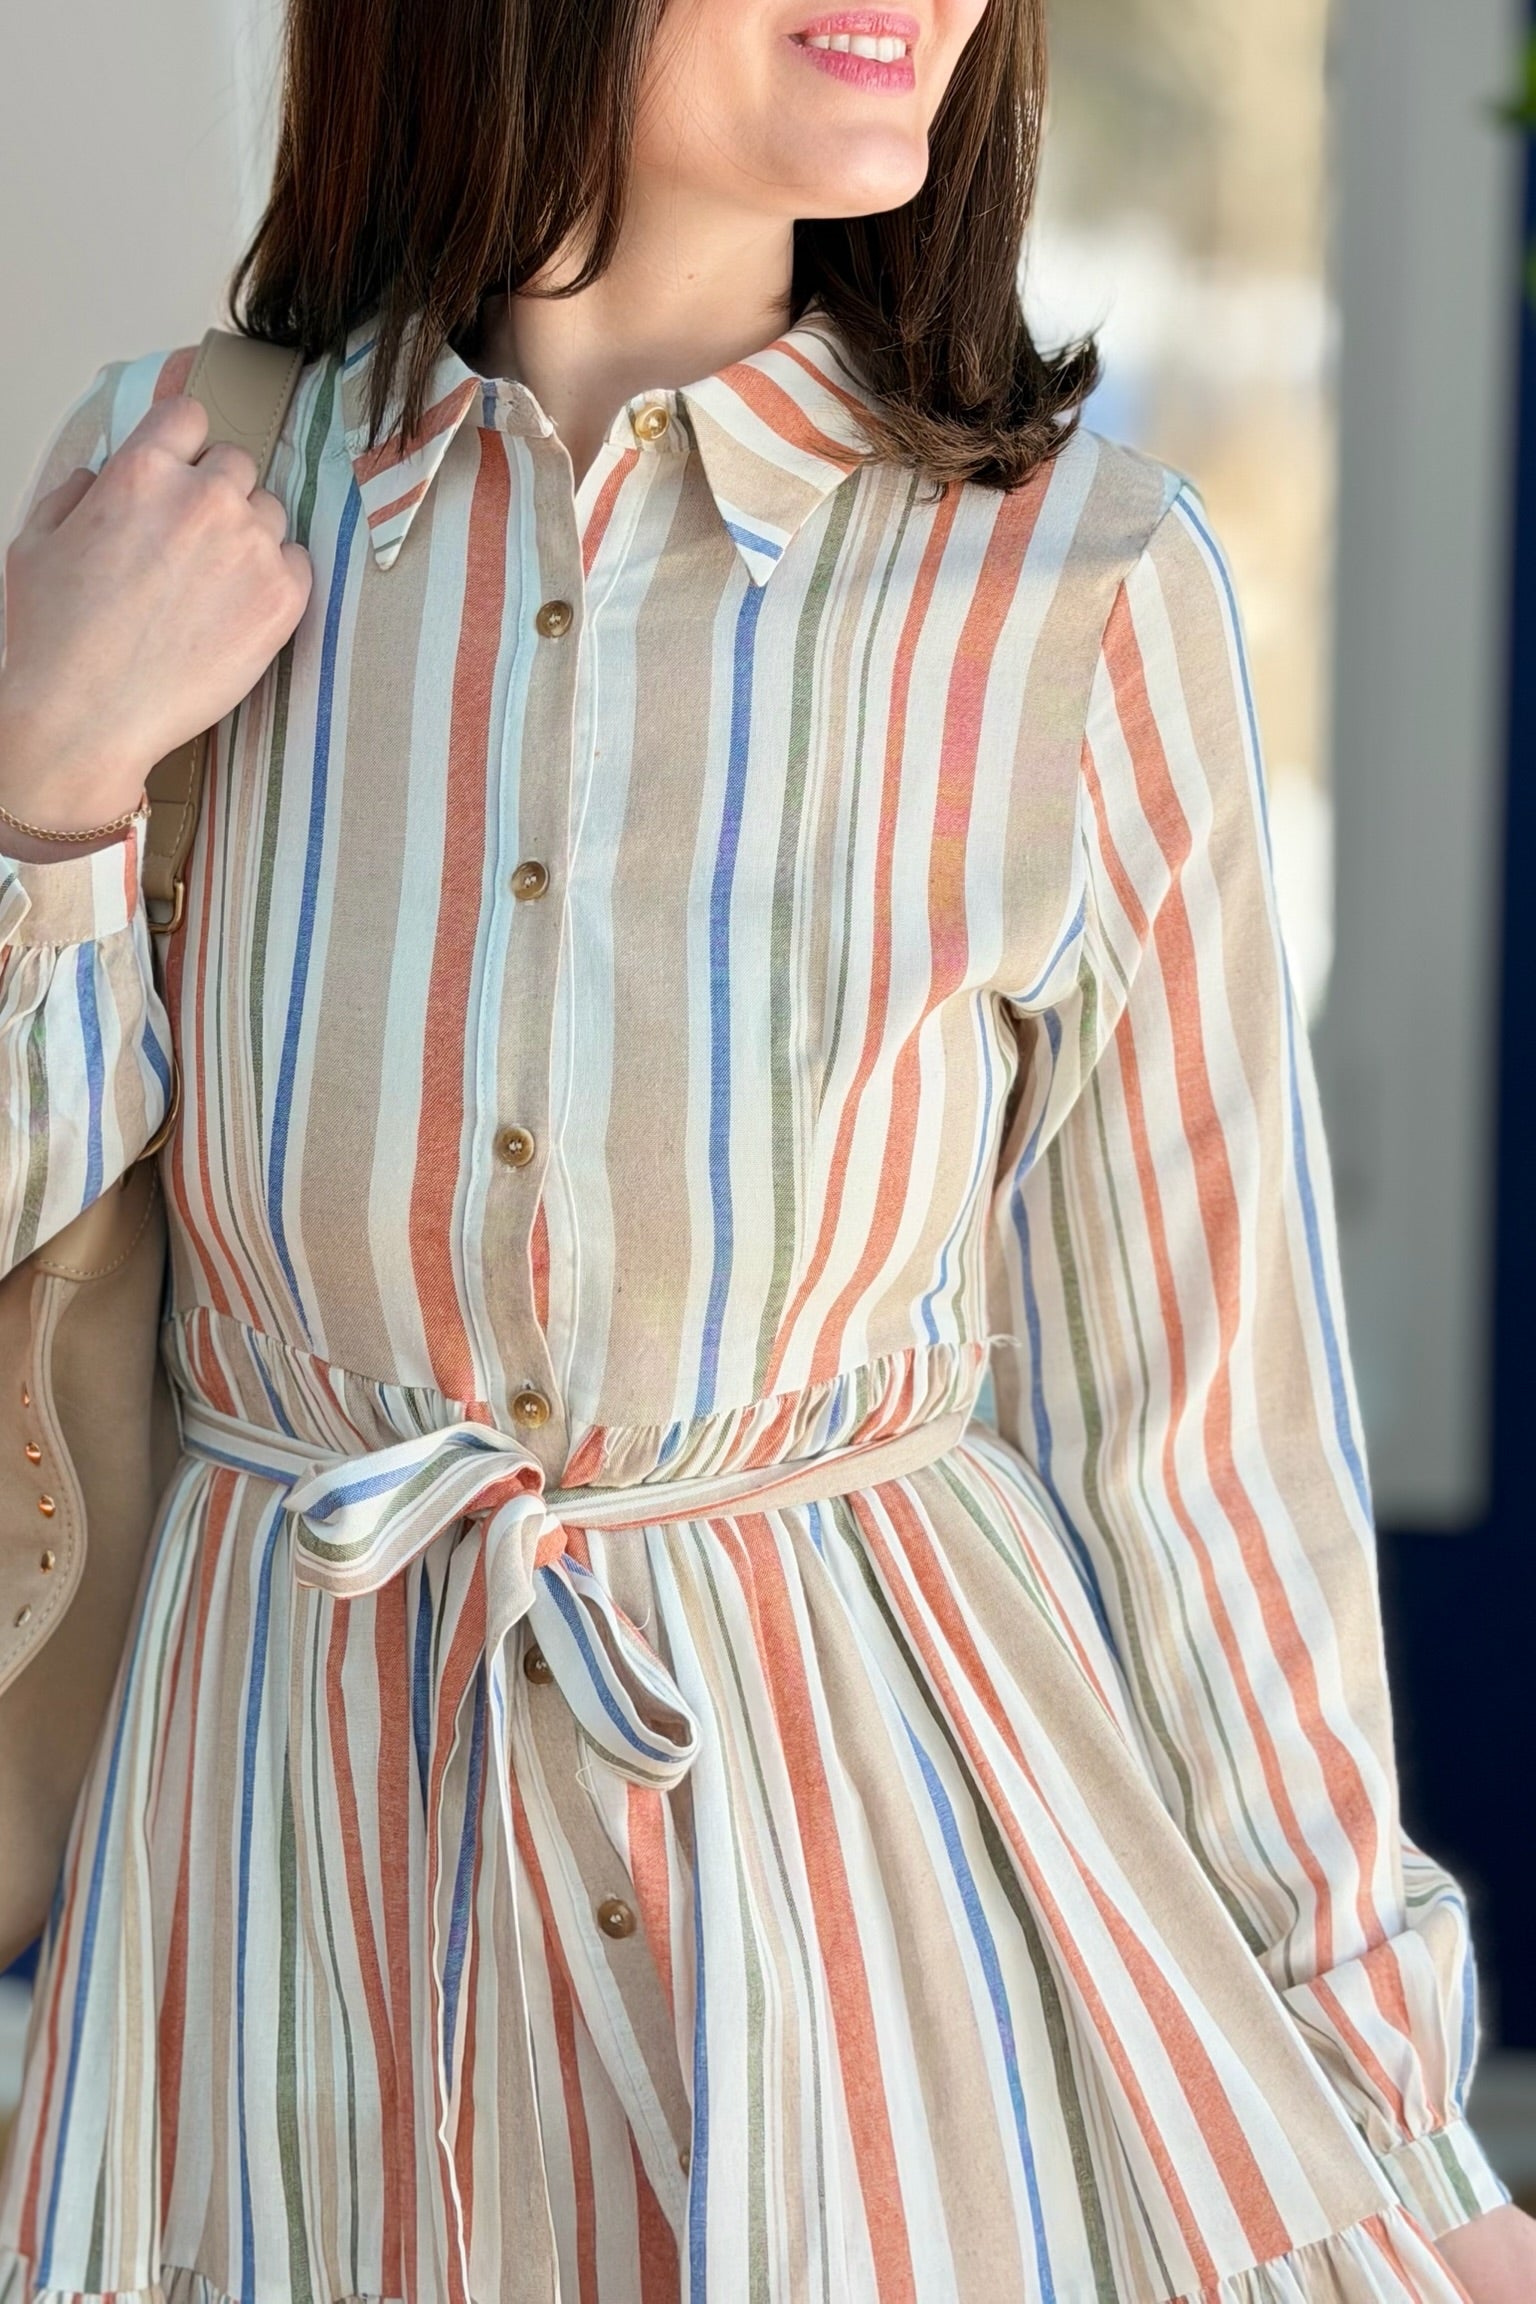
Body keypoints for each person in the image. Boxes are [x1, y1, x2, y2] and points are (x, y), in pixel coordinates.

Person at [1, 0, 1532, 2297]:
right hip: (276, 1938)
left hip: (866, 1971)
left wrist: (1401, 2144)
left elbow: (1208, 1462)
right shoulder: (181, 497)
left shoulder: (1084, 589)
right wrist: (38, 787)